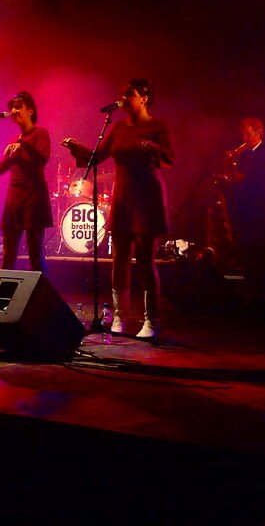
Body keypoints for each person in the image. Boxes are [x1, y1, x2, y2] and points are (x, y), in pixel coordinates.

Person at [62, 79, 174, 339]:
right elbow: (97, 156)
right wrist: (76, 147)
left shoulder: (157, 126)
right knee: (119, 259)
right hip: (123, 197)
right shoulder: (119, 127)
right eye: (122, 95)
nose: (124, 99)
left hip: (147, 197)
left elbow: (169, 158)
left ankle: (152, 320)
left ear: (144, 98)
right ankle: (120, 316)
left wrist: (153, 147)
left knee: (145, 260)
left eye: (129, 95)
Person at [0, 91, 53, 274]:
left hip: (34, 199)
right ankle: (4, 291)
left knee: (35, 255)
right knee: (8, 254)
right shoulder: (14, 140)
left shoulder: (40, 134)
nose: (14, 111)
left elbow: (42, 158)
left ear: (30, 111)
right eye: (12, 108)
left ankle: (42, 291)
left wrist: (23, 146)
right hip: (14, 201)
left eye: (18, 107)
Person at [223, 117, 265, 304]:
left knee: (261, 245)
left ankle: (264, 286)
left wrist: (232, 165)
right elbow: (235, 179)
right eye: (243, 135)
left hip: (262, 205)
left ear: (259, 132)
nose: (244, 138)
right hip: (246, 205)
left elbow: (245, 177)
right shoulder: (245, 154)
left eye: (248, 134)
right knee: (247, 245)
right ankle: (251, 283)